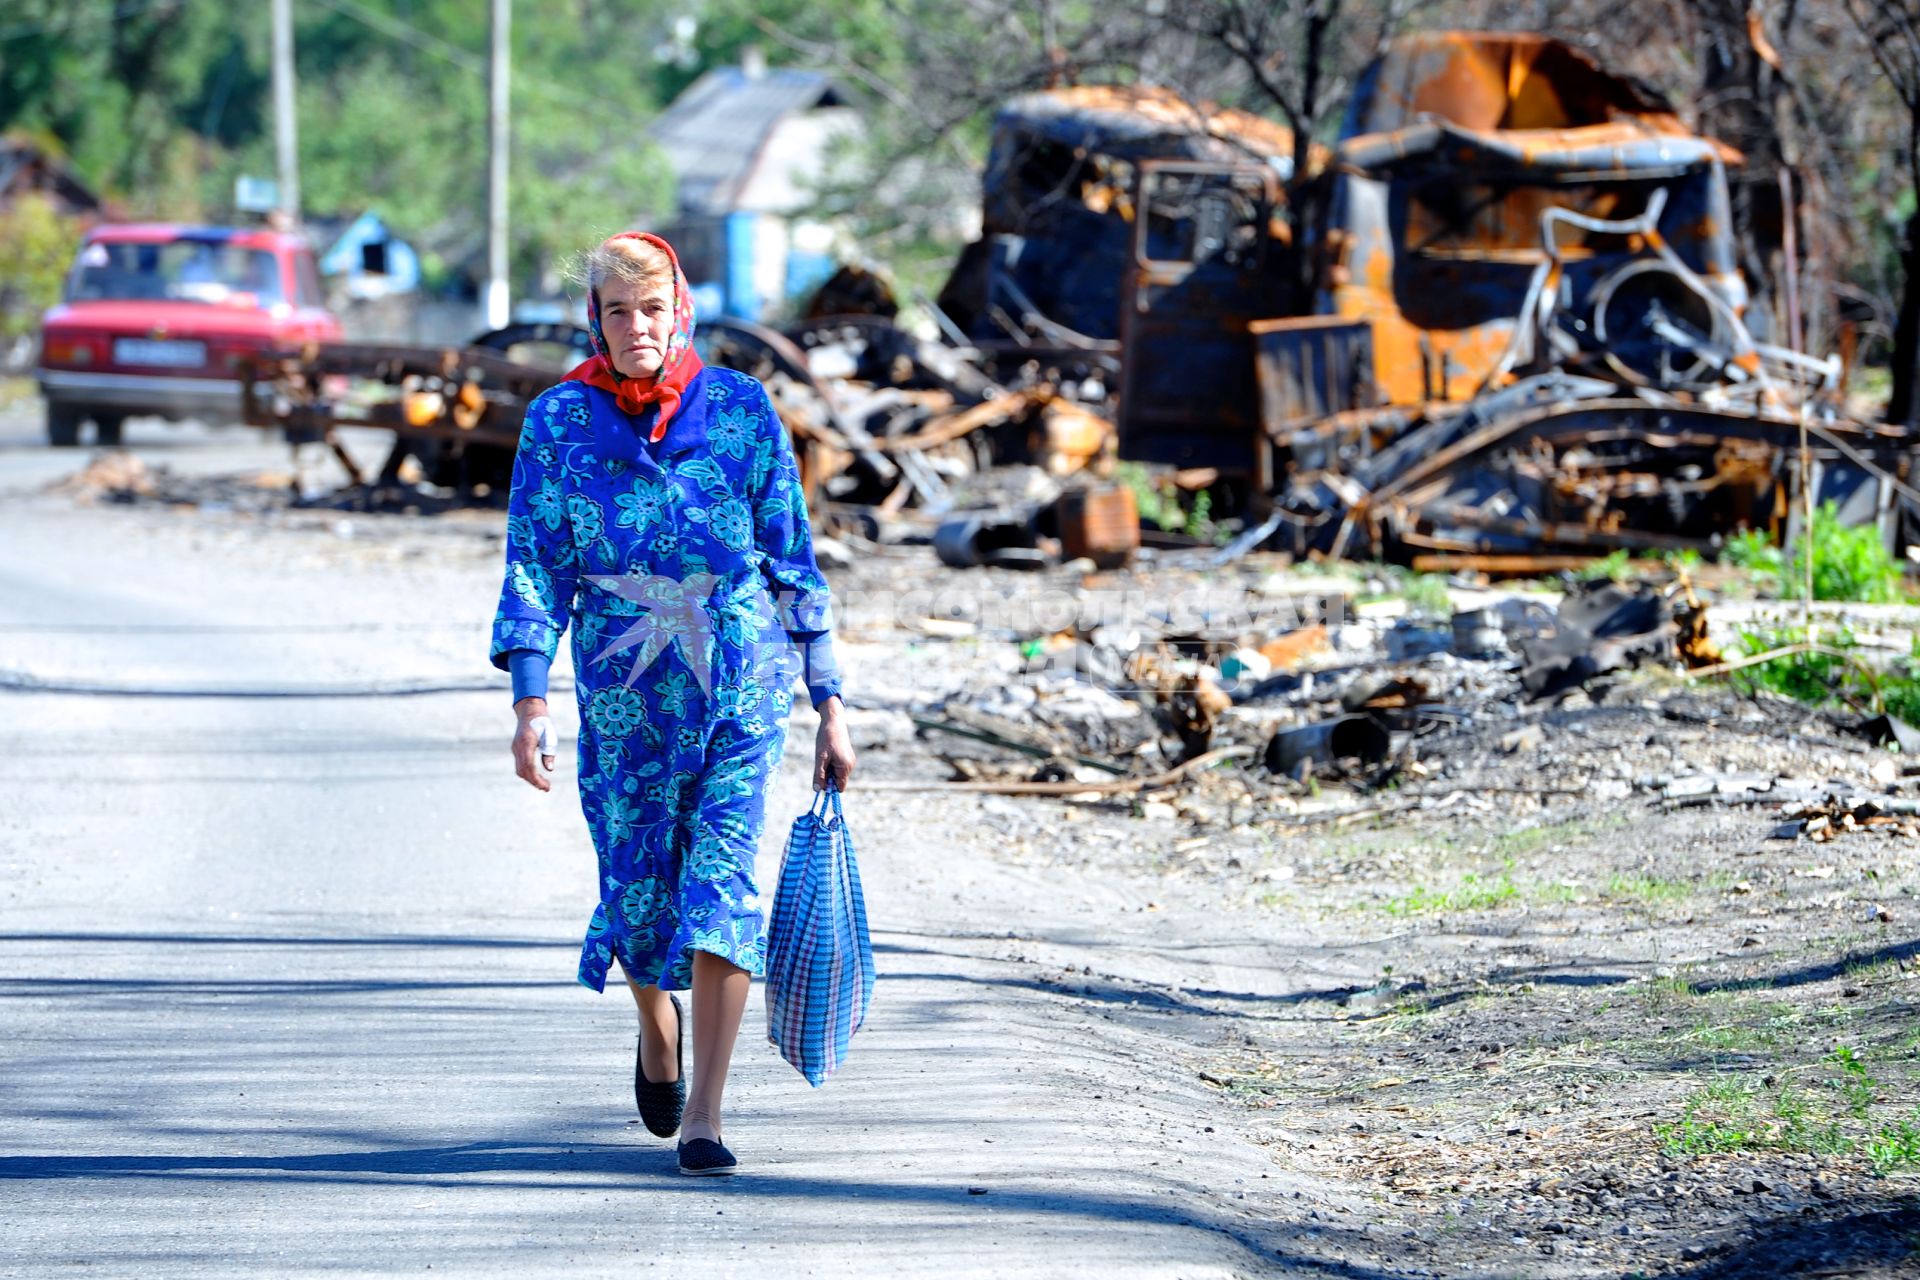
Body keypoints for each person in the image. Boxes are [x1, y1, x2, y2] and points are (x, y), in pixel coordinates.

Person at [489, 230, 856, 1177]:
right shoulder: (559, 424)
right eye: (619, 310)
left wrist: (830, 697)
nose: (638, 326)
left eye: (654, 308)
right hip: (624, 702)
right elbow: (534, 563)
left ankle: (706, 1114)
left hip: (742, 687)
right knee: (640, 894)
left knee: (722, 887)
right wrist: (531, 703)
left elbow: (792, 558)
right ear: (596, 321)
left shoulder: (738, 411)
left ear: (681, 312)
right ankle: (659, 1028)